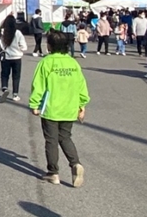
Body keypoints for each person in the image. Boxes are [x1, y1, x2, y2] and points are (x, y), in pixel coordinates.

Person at [29, 30, 89, 187]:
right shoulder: (73, 63)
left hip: (51, 108)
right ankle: (75, 163)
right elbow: (81, 86)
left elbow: (38, 86)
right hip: (70, 107)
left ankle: (53, 173)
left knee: (51, 140)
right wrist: (82, 105)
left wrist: (34, 104)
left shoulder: (46, 62)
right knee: (65, 137)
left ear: (49, 46)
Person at [0, 15, 28, 102]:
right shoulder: (18, 33)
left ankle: (5, 88)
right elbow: (24, 47)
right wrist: (19, 49)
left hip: (6, 57)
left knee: (4, 74)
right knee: (16, 76)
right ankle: (15, 94)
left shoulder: (0, 33)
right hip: (17, 57)